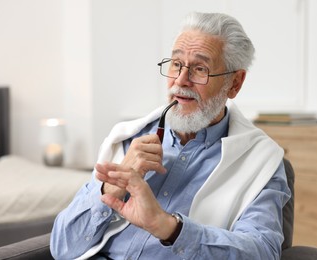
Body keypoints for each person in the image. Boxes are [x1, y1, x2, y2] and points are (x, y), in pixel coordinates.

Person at [50, 12, 291, 260]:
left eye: (199, 69)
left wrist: (169, 228)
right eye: (176, 64)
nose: (180, 80)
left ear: (235, 83)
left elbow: (261, 251)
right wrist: (110, 188)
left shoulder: (262, 161)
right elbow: (63, 248)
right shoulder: (126, 140)